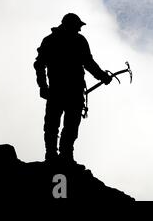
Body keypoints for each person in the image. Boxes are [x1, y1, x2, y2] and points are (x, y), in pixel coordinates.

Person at [34, 13, 112, 164]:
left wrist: (43, 86)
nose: (80, 30)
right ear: (70, 25)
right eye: (77, 27)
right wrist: (103, 76)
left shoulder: (53, 40)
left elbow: (88, 63)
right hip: (66, 91)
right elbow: (88, 63)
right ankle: (59, 156)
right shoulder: (75, 41)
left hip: (62, 91)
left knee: (61, 125)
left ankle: (61, 156)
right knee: (60, 125)